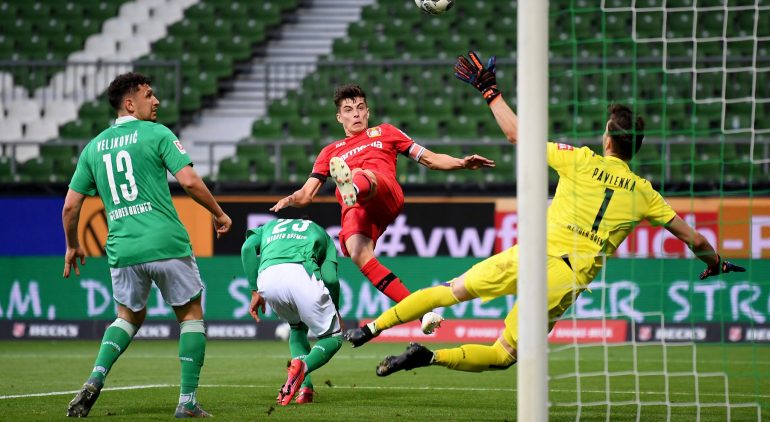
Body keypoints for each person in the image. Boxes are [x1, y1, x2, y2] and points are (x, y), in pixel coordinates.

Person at [344, 52, 746, 377]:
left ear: (607, 138)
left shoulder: (580, 160)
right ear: (634, 148)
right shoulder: (645, 193)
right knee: (503, 355)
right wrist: (716, 262)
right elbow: (695, 240)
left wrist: (490, 93)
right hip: (565, 275)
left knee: (450, 291)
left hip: (530, 253)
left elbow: (518, 136)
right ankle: (429, 358)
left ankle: (372, 328)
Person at [62, 72, 232, 418]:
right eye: (149, 95)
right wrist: (218, 213)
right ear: (130, 103)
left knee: (127, 317)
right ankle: (186, 403)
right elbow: (189, 181)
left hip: (122, 249)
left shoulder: (93, 148)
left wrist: (73, 244)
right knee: (190, 316)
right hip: (166, 243)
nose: (156, 101)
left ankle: (96, 377)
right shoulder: (157, 133)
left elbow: (70, 206)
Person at [269, 84, 495, 334]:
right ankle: (423, 315)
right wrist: (291, 199)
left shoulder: (385, 132)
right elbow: (306, 194)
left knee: (360, 174)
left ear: (368, 112)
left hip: (383, 191)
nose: (355, 114)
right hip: (356, 208)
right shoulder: (329, 152)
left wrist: (461, 163)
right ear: (339, 117)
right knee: (358, 253)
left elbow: (430, 158)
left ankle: (353, 186)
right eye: (348, 109)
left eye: (360, 108)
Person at [241, 217, 342, 406]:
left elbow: (247, 249)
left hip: (268, 279)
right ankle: (303, 369)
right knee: (333, 338)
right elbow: (331, 278)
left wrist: (254, 290)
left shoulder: (269, 226)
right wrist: (336, 309)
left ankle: (305, 390)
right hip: (301, 273)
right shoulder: (322, 233)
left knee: (297, 328)